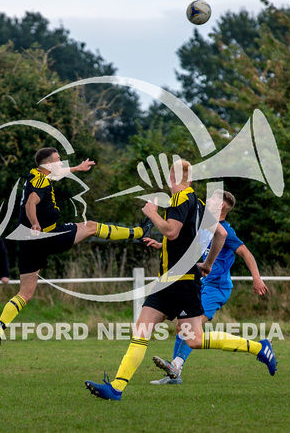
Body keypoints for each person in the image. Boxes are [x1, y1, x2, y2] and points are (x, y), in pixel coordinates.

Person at [85, 160, 277, 401]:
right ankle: (116, 388)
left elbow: (171, 231)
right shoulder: (197, 203)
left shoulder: (180, 198)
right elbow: (218, 233)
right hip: (167, 282)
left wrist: (152, 214)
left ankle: (259, 348)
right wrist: (206, 264)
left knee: (194, 340)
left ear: (170, 177)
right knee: (141, 332)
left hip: (184, 284)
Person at [0, 147, 153, 361]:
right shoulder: (41, 182)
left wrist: (78, 168)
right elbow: (30, 203)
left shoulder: (36, 175)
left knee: (25, 293)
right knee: (91, 226)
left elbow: (55, 175)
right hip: (46, 235)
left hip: (27, 242)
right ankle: (139, 232)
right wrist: (36, 223)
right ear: (47, 164)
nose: (61, 163)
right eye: (57, 160)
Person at [146, 189, 269, 385]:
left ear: (221, 206)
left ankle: (176, 366)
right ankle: (175, 371)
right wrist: (161, 246)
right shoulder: (206, 228)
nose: (207, 199)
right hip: (201, 285)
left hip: (216, 288)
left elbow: (246, 253)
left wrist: (257, 278)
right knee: (182, 327)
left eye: (212, 198)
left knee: (189, 329)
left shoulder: (225, 230)